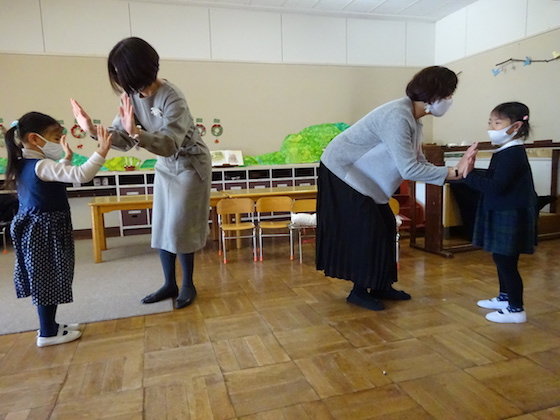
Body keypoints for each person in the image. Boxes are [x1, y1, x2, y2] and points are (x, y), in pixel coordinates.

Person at [316, 65, 476, 311]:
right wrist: (453, 173)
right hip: (341, 170)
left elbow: (418, 161)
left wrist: (454, 171)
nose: (449, 100)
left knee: (387, 226)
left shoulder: (414, 120)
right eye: (447, 94)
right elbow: (409, 170)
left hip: (362, 175)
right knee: (367, 229)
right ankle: (359, 291)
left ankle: (381, 285)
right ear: (433, 95)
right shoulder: (397, 116)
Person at [71, 37, 212, 310]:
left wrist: (136, 132)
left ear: (139, 69)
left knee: (180, 225)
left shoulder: (172, 97)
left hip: (190, 164)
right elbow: (122, 138)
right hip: (166, 165)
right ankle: (169, 283)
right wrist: (91, 129)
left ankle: (188, 284)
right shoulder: (132, 96)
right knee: (161, 224)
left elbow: (170, 143)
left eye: (121, 72)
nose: (119, 79)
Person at [3, 112, 112, 347]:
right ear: (34, 139)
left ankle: (51, 325)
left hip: (38, 229)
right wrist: (101, 151)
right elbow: (81, 175)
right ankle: (47, 333)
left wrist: (67, 158)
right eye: (55, 137)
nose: (58, 142)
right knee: (47, 279)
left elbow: (56, 176)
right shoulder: (41, 165)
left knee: (48, 278)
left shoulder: (26, 164)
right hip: (45, 231)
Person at [463, 102, 536, 323]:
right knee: (501, 257)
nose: (491, 128)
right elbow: (496, 178)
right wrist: (471, 170)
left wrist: (468, 175)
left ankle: (516, 309)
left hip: (510, 212)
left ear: (515, 127)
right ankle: (505, 297)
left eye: (497, 123)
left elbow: (496, 186)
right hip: (503, 209)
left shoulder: (513, 153)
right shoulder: (505, 150)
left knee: (506, 261)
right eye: (490, 122)